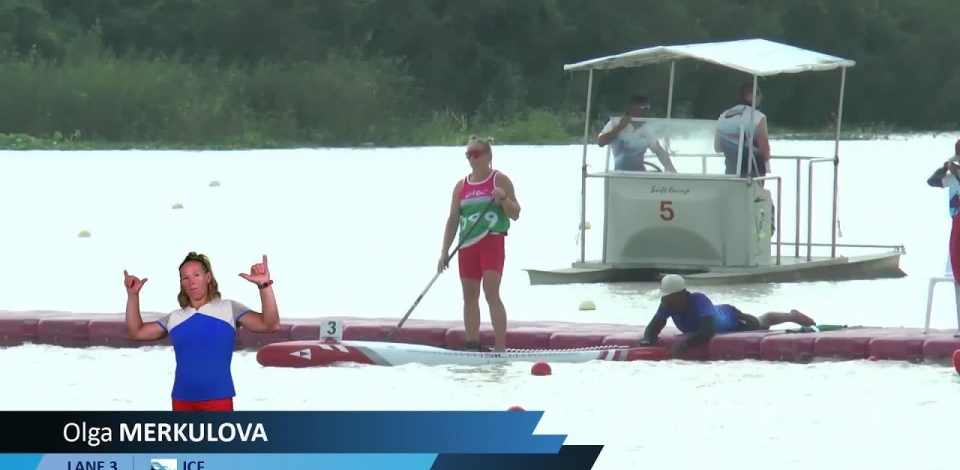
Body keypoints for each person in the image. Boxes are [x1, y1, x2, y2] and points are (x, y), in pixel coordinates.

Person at [123, 252, 280, 411]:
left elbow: (270, 324)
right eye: (185, 278)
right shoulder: (175, 318)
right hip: (181, 400)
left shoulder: (229, 308)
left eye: (196, 275)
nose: (191, 281)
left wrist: (264, 285)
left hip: (218, 399)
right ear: (182, 284)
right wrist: (133, 296)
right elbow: (136, 332)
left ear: (208, 277)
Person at [438, 136, 520, 352]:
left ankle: (500, 348)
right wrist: (444, 251)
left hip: (491, 240)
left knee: (491, 293)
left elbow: (516, 214)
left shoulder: (499, 180)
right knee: (469, 296)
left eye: (475, 154)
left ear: (488, 156)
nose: (471, 159)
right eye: (468, 155)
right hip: (467, 244)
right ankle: (473, 344)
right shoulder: (461, 186)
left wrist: (503, 199)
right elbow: (453, 219)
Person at [638, 274, 815, 356]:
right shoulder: (668, 305)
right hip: (721, 312)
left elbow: (707, 331)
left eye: (668, 297)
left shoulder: (699, 300)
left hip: (733, 319)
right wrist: (647, 341)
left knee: (762, 322)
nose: (665, 301)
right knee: (762, 321)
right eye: (664, 298)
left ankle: (792, 316)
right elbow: (654, 326)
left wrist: (684, 345)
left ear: (680, 294)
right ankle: (790, 315)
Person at [598, 94, 677, 172]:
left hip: (640, 175)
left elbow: (659, 152)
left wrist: (675, 174)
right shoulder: (615, 123)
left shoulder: (646, 129)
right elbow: (601, 142)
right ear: (632, 108)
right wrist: (620, 127)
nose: (645, 111)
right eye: (643, 108)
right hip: (620, 175)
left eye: (647, 108)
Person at [715, 82, 771, 178]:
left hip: (731, 171)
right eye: (758, 93)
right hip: (753, 173)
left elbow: (718, 147)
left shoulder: (724, 116)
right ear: (749, 95)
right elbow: (765, 151)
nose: (761, 96)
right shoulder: (757, 117)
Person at [926, 140, 960, 285]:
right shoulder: (952, 177)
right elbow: (932, 181)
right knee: (953, 270)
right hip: (956, 223)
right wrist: (944, 168)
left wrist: (957, 173)